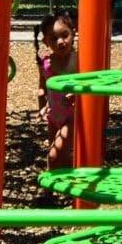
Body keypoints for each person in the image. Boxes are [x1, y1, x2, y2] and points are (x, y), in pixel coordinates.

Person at [34, 12, 78, 170]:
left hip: (70, 117)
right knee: (63, 158)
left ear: (73, 33)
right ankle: (64, 190)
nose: (60, 42)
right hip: (53, 116)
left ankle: (49, 189)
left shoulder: (77, 60)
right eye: (53, 38)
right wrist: (41, 106)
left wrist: (76, 94)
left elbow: (88, 84)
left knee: (53, 155)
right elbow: (42, 87)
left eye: (64, 35)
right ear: (45, 41)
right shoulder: (45, 63)